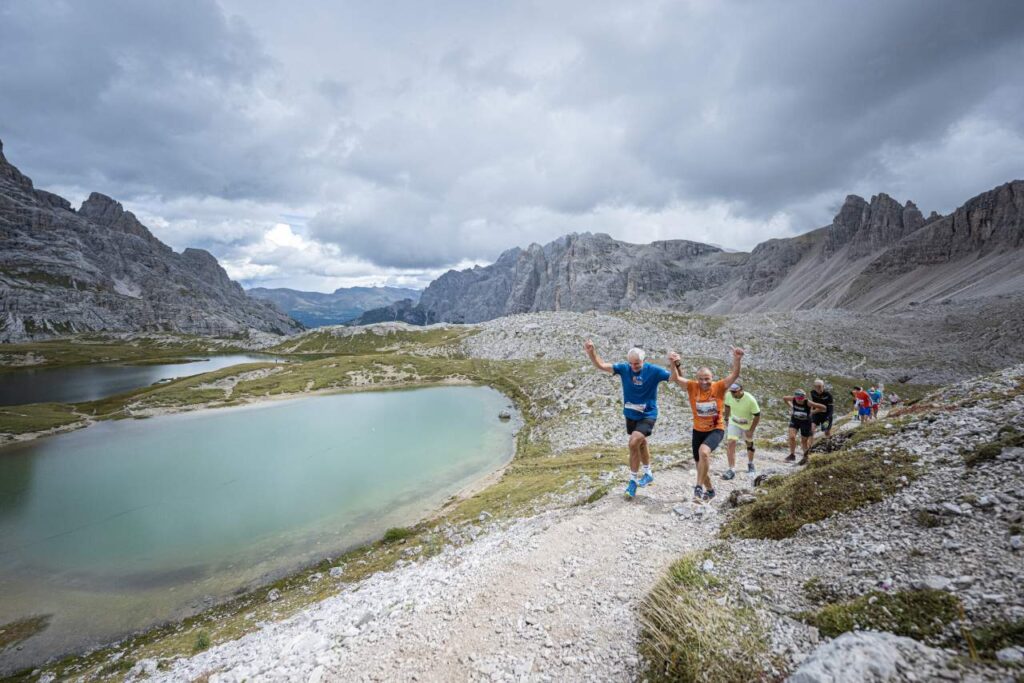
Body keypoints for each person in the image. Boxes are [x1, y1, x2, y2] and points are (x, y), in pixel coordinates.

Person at [584, 340, 671, 498]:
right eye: (631, 363)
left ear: (643, 360)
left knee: (633, 442)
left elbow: (676, 379)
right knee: (641, 443)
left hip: (648, 414)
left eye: (637, 363)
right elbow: (601, 365)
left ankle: (632, 481)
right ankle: (648, 473)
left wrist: (676, 365)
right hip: (630, 414)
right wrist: (591, 353)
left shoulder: (654, 371)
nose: (633, 366)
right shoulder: (624, 368)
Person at [667, 347, 744, 503]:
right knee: (700, 466)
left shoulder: (719, 386)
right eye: (701, 379)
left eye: (707, 379)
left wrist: (737, 359)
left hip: (716, 429)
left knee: (704, 452)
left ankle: (698, 487)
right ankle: (710, 491)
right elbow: (675, 378)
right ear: (697, 379)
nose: (704, 382)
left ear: (712, 378)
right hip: (698, 430)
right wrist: (672, 363)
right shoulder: (692, 386)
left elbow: (734, 375)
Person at [722, 382, 760, 479]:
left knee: (749, 443)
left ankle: (750, 463)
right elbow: (727, 406)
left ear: (741, 390)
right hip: (734, 422)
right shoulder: (729, 395)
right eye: (731, 391)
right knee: (731, 442)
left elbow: (757, 416)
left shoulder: (750, 399)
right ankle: (731, 469)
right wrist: (726, 418)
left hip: (747, 424)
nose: (732, 393)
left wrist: (751, 430)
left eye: (734, 391)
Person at [784, 390, 826, 465]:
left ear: (804, 397)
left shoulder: (808, 402)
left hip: (806, 423)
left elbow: (823, 407)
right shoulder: (793, 399)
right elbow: (784, 398)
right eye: (797, 398)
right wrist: (791, 406)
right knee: (792, 437)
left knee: (804, 441)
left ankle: (805, 457)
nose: (799, 400)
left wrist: (812, 412)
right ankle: (792, 455)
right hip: (795, 421)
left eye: (801, 398)